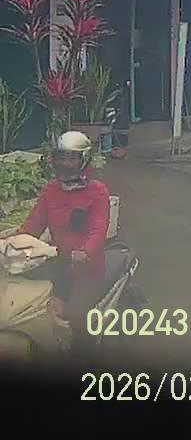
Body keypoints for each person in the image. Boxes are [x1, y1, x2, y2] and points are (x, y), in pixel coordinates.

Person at [18, 131, 110, 348]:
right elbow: (33, 225)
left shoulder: (97, 191)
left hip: (87, 269)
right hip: (57, 263)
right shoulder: (51, 190)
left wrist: (85, 252)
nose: (65, 164)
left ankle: (84, 358)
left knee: (76, 316)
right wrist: (12, 242)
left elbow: (98, 229)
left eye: (71, 158)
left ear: (84, 159)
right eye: (61, 157)